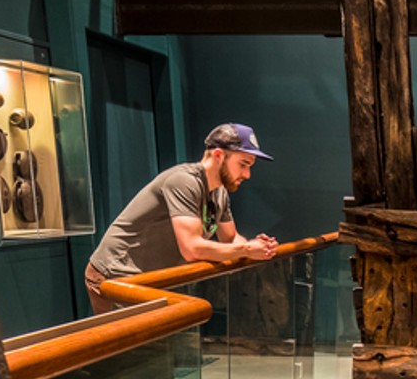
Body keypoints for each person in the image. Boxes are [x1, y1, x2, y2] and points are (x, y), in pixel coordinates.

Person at [84, 123, 281, 314]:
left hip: (150, 280)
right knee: (134, 345)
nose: (247, 175)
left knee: (156, 343)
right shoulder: (183, 182)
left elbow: (230, 238)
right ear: (219, 155)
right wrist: (246, 249)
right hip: (115, 275)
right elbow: (192, 249)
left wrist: (258, 247)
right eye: (243, 164)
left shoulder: (220, 192)